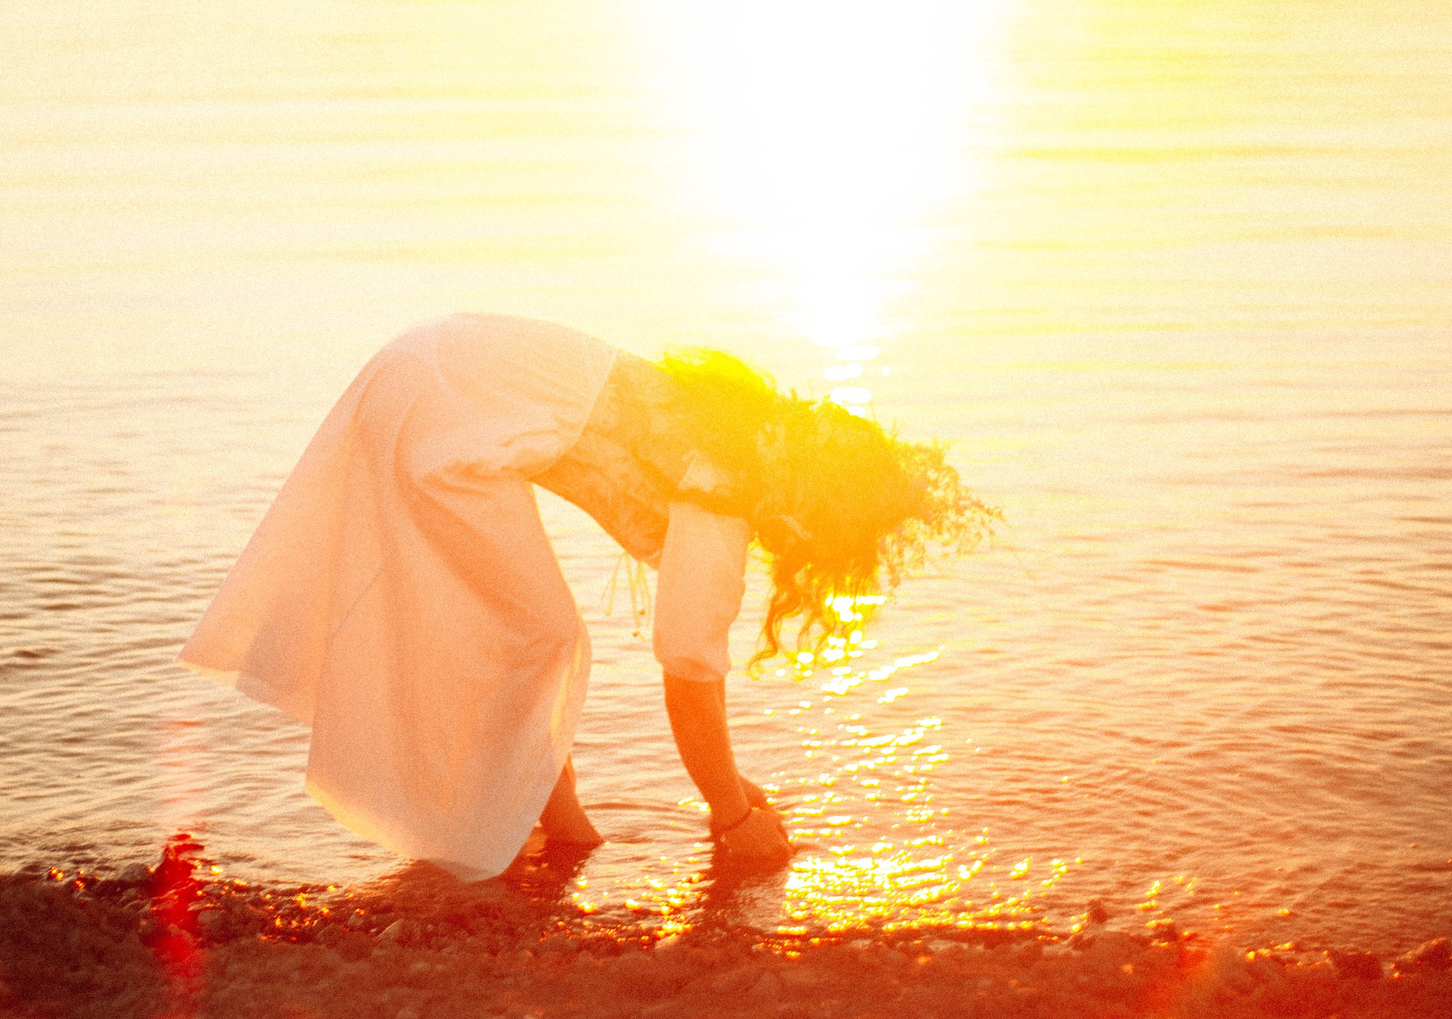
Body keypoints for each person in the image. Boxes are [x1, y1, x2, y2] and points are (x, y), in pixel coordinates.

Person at [181, 313, 986, 881]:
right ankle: (549, 827)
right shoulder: (723, 489)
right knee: (539, 634)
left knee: (526, 631)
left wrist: (728, 795)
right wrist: (733, 811)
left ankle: (553, 825)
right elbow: (691, 671)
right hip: (438, 400)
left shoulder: (736, 425)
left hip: (434, 364)